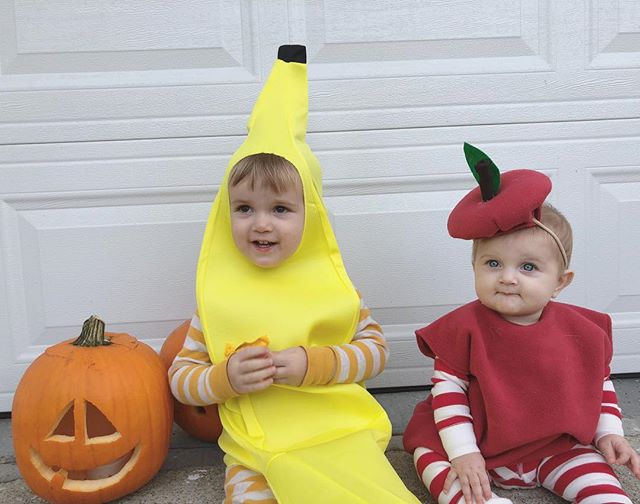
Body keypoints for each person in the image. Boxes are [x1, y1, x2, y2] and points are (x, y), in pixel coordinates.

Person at [168, 45, 420, 504]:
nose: (261, 223)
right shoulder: (219, 297)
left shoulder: (333, 290)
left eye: (280, 209)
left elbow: (375, 352)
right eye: (244, 209)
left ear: (313, 216)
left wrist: (315, 363)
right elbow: (181, 377)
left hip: (335, 431)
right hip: (255, 445)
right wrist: (222, 378)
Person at [403, 143, 640, 504]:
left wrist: (608, 431)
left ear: (560, 282)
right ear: (475, 267)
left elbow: (599, 384)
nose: (508, 278)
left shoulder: (583, 331)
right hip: (477, 442)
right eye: (493, 264)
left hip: (555, 447)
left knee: (603, 486)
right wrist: (463, 452)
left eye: (528, 267)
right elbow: (448, 395)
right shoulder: (463, 328)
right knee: (431, 457)